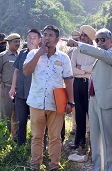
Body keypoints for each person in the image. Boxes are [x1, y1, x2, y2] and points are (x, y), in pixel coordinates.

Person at [68, 28, 112, 171]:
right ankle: (98, 166)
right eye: (98, 40)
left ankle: (110, 168)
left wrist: (78, 44)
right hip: (93, 99)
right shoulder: (100, 56)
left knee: (110, 139)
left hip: (108, 102)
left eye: (103, 39)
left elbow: (100, 53)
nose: (100, 42)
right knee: (95, 137)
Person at [23, 25, 74, 171]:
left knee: (55, 137)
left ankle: (54, 166)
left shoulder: (63, 58)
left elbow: (69, 80)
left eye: (51, 35)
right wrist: (39, 53)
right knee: (37, 137)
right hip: (36, 102)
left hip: (55, 104)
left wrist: (71, 102)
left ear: (57, 40)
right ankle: (35, 165)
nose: (47, 37)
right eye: (45, 35)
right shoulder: (33, 53)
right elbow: (26, 71)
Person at [9, 29, 42, 146]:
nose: (31, 40)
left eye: (34, 38)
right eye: (29, 37)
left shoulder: (42, 54)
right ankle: (21, 144)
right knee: (21, 120)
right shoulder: (22, 53)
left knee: (37, 121)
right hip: (21, 93)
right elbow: (16, 71)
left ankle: (37, 145)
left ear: (39, 40)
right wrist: (13, 87)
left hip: (36, 94)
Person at [68, 25, 96, 155]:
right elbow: (72, 69)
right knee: (79, 113)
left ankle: (94, 143)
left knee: (92, 114)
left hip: (91, 84)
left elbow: (94, 69)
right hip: (78, 83)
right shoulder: (76, 51)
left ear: (90, 38)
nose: (82, 38)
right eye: (81, 35)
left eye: (85, 35)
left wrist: (82, 68)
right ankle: (79, 141)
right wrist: (85, 70)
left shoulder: (96, 50)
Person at [0, 33, 20, 138]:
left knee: (18, 116)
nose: (17, 44)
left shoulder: (21, 55)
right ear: (9, 43)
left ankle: (16, 138)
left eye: (18, 41)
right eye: (15, 41)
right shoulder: (2, 56)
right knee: (6, 116)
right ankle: (4, 138)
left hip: (19, 90)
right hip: (6, 89)